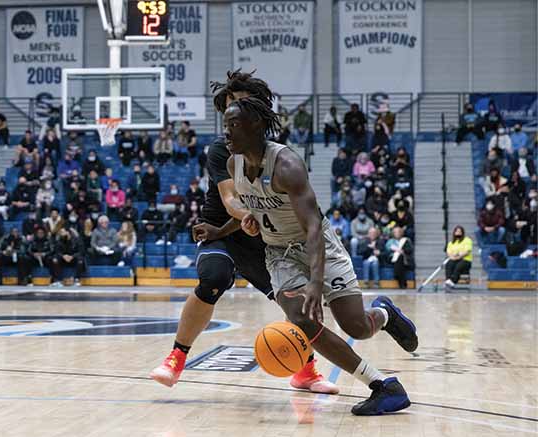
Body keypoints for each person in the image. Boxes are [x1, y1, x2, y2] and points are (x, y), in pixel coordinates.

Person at [197, 92, 416, 415]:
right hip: (279, 254)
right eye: (225, 125)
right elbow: (253, 209)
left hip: (318, 246)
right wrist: (220, 231)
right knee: (301, 319)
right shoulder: (234, 164)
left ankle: (384, 314)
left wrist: (315, 282)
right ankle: (383, 386)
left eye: (233, 125)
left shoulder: (287, 165)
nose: (226, 132)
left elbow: (313, 226)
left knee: (356, 326)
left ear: (256, 125)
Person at [151, 70, 338, 396]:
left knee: (292, 302)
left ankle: (306, 370)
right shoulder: (221, 149)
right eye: (227, 111)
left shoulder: (279, 155)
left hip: (264, 237)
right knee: (213, 278)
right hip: (222, 230)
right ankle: (176, 358)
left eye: (238, 106)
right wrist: (247, 214)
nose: (232, 117)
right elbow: (230, 199)